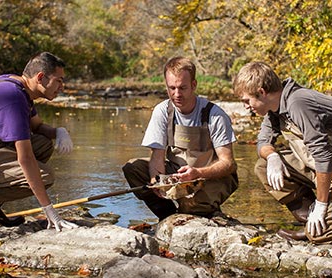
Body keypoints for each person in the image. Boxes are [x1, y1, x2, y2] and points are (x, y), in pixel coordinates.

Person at [123, 56, 238, 221]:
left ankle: (200, 209)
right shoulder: (162, 111)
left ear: (193, 85)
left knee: (191, 207)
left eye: (183, 88)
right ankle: (168, 217)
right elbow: (157, 156)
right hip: (176, 175)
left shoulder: (215, 115)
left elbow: (228, 164)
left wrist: (197, 173)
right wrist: (158, 182)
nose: (177, 94)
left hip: (208, 176)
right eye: (172, 88)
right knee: (132, 168)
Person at [233, 61, 332, 243]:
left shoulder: (298, 102)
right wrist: (271, 156)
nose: (246, 107)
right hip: (322, 171)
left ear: (261, 92)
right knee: (263, 166)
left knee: (319, 235)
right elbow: (263, 141)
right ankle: (310, 221)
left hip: (326, 167)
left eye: (246, 101)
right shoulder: (274, 109)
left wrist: (321, 205)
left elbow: (323, 156)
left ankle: (317, 222)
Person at [0, 51, 78, 232]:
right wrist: (49, 210)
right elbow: (25, 158)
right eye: (59, 80)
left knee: (42, 143)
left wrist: (59, 132)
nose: (62, 87)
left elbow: (37, 127)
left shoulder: (18, 86)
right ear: (40, 77)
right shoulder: (12, 96)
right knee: (44, 176)